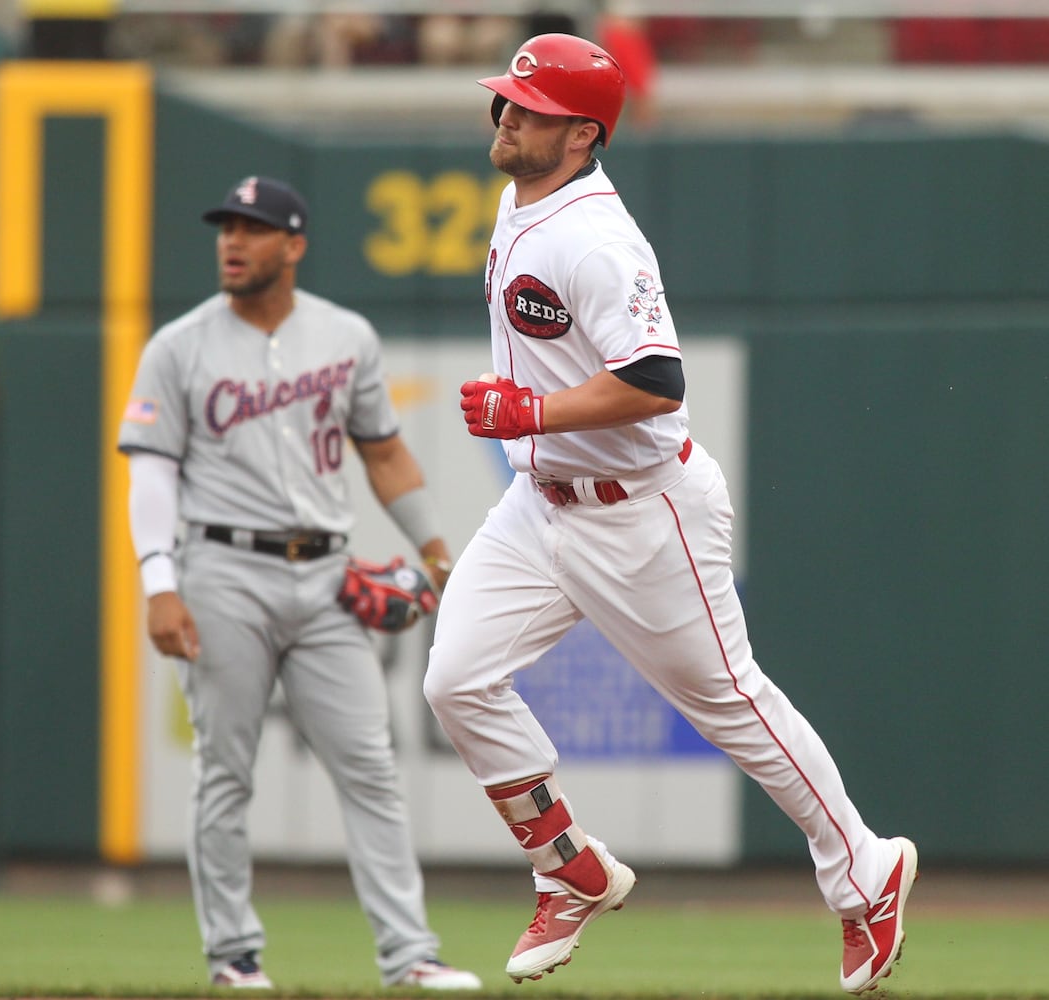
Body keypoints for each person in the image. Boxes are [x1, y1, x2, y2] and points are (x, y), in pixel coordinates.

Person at [422, 33, 917, 996]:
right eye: (506, 100)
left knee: (730, 703)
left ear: (582, 134)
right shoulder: (520, 197)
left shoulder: (597, 239)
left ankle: (864, 867)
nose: (506, 115)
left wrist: (533, 410)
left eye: (530, 106)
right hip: (540, 503)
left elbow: (655, 379)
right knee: (456, 679)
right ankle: (571, 869)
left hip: (639, 511)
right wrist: (535, 429)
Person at [118, 175, 481, 992]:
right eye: (226, 228)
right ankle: (233, 958)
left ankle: (409, 955)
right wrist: (158, 580)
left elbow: (382, 452)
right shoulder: (179, 345)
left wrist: (435, 549)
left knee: (371, 768)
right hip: (220, 569)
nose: (232, 242)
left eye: (252, 228)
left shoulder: (345, 335)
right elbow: (150, 471)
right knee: (225, 769)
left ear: (294, 245)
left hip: (324, 576)